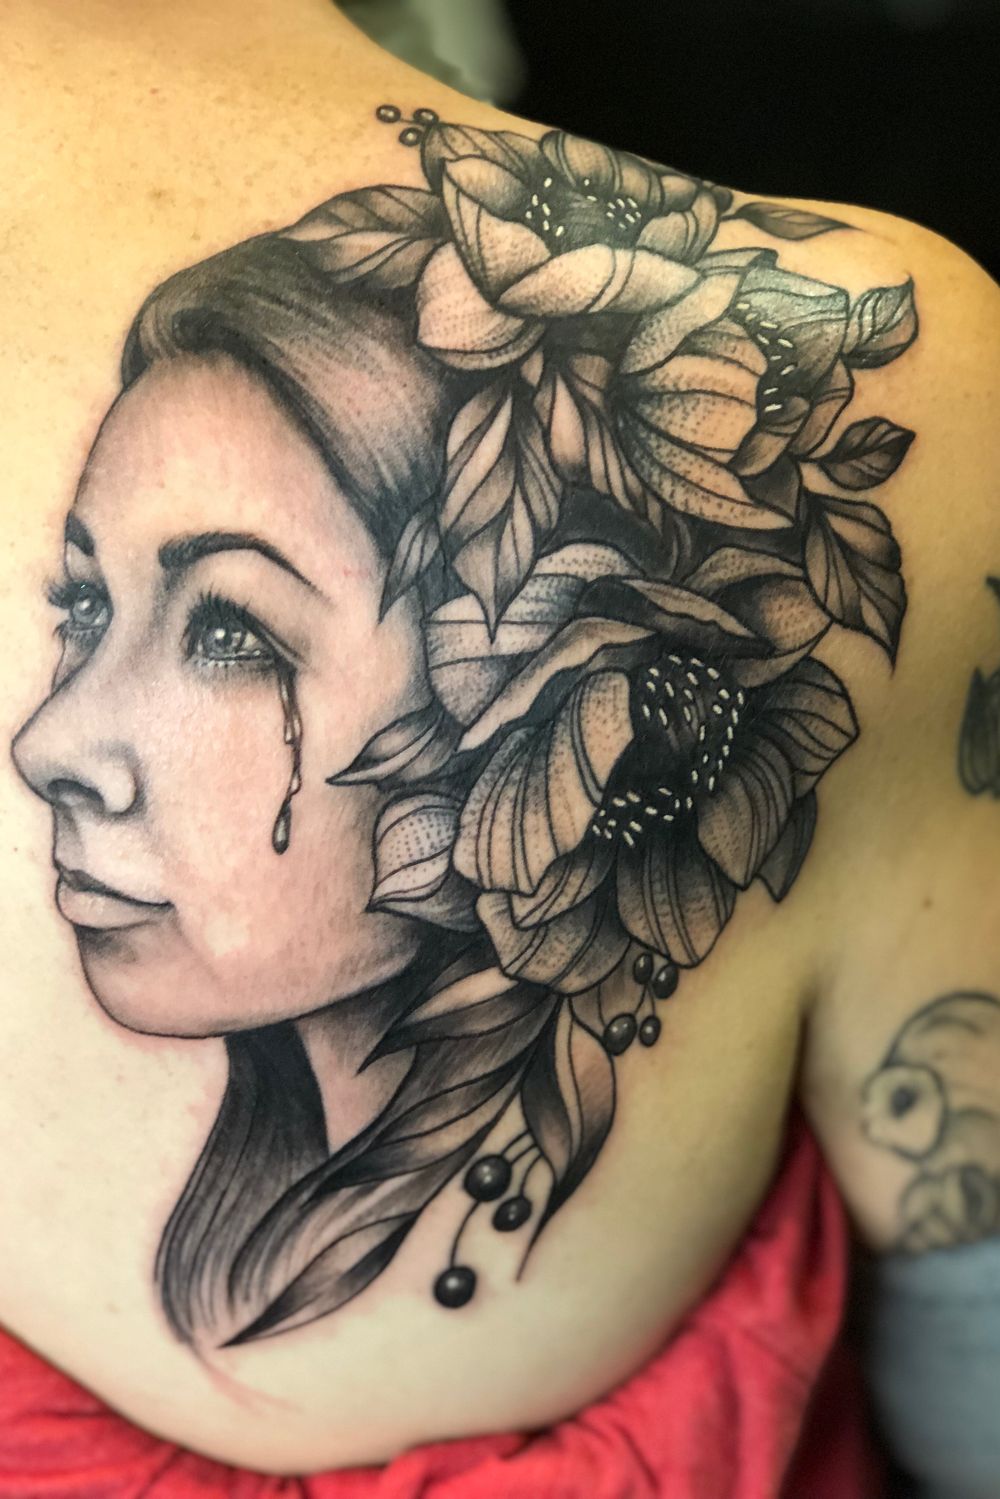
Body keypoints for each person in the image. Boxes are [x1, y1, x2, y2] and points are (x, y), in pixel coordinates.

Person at [0, 0, 997, 1488]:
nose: (48, 742)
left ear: (521, 684)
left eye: (230, 632)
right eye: (83, 608)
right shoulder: (923, 376)